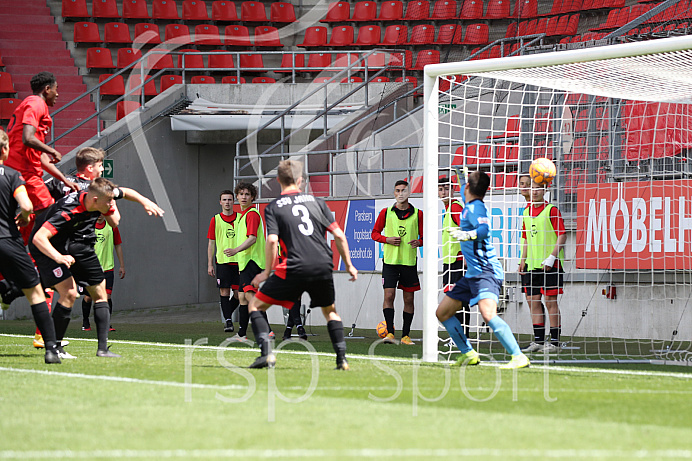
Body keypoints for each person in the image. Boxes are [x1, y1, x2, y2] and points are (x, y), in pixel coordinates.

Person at [30, 178, 164, 358]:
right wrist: (59, 257)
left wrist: (145, 202)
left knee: (100, 293)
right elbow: (39, 238)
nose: (112, 204)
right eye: (109, 202)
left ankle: (102, 349)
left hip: (74, 247)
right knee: (68, 293)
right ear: (95, 201)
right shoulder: (69, 210)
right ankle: (52, 347)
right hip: (49, 249)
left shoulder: (102, 196)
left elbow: (125, 192)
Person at [248, 160, 358, 369]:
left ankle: (267, 355)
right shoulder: (318, 203)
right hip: (322, 265)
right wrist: (349, 265)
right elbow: (339, 236)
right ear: (300, 180)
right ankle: (341, 359)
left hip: (294, 266)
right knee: (330, 312)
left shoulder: (274, 207)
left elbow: (272, 240)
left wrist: (266, 273)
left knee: (255, 304)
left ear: (278, 180)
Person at [435, 170, 530, 369]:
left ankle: (518, 356)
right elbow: (465, 189)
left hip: (486, 271)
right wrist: (463, 176)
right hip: (471, 275)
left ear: (468, 188)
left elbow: (484, 230)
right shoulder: (468, 202)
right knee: (443, 313)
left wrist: (465, 235)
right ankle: (469, 353)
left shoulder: (476, 207)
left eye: (465, 184)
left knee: (488, 314)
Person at [0, 130, 61, 364]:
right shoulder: (13, 175)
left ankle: (6, 287)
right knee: (35, 293)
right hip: (8, 241)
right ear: (5, 150)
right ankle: (50, 350)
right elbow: (26, 205)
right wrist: (26, 217)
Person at [371, 180, 422, 345]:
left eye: (403, 191)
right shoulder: (386, 213)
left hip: (408, 262)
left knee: (408, 299)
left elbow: (425, 236)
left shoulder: (418, 214)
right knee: (389, 295)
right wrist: (387, 239)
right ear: (394, 193)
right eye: (397, 190)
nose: (400, 193)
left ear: (409, 193)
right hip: (390, 262)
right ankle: (390, 333)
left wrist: (419, 242)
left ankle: (406, 335)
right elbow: (374, 233)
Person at [519, 179, 567, 354]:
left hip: (549, 265)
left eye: (539, 188)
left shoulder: (551, 210)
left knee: (550, 301)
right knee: (533, 301)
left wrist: (552, 257)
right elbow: (525, 238)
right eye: (532, 188)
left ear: (545, 190)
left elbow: (562, 235)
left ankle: (554, 342)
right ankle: (538, 341)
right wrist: (522, 260)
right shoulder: (526, 212)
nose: (535, 191)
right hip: (531, 265)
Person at [223, 183, 270, 342]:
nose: (243, 197)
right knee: (243, 297)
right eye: (241, 194)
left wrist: (235, 251)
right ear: (237, 196)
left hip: (252, 262)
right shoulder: (243, 216)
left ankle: (267, 331)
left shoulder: (251, 214)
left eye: (247, 194)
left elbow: (252, 239)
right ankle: (242, 334)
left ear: (252, 198)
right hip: (246, 264)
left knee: (250, 295)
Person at [438, 176, 470, 336]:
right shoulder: (448, 209)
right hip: (450, 261)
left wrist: (465, 256)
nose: (443, 192)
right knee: (455, 300)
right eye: (440, 189)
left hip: (458, 261)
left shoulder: (456, 207)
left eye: (446, 189)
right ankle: (459, 335)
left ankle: (461, 335)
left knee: (457, 301)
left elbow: (466, 229)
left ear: (453, 190)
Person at [81, 215, 125, 332]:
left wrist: (122, 265)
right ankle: (86, 321)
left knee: (107, 296)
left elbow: (118, 245)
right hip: (92, 268)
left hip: (108, 268)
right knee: (88, 297)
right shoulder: (89, 227)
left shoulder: (112, 226)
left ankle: (106, 323)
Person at [207, 190, 240, 333]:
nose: (227, 202)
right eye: (224, 200)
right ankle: (228, 321)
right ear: (220, 202)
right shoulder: (215, 219)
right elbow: (211, 243)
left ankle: (226, 313)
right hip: (222, 262)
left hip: (239, 262)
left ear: (234, 201)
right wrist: (209, 264)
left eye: (230, 199)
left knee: (240, 295)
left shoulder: (240, 219)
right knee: (224, 292)